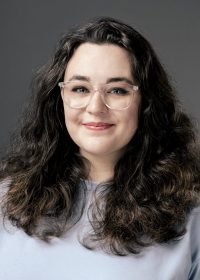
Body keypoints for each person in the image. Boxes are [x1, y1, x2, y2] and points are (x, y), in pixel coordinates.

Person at [0, 16, 200, 280]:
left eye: (117, 91)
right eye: (80, 88)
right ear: (60, 98)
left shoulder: (191, 218)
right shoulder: (5, 200)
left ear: (147, 102)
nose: (95, 107)